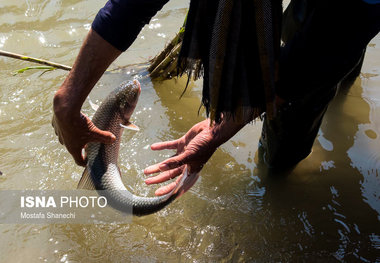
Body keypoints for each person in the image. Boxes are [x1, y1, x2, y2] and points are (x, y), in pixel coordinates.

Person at [52, 0, 380, 195]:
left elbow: (328, 47)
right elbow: (130, 6)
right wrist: (70, 97)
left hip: (353, 9)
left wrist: (220, 130)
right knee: (305, 28)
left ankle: (279, 176)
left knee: (316, 48)